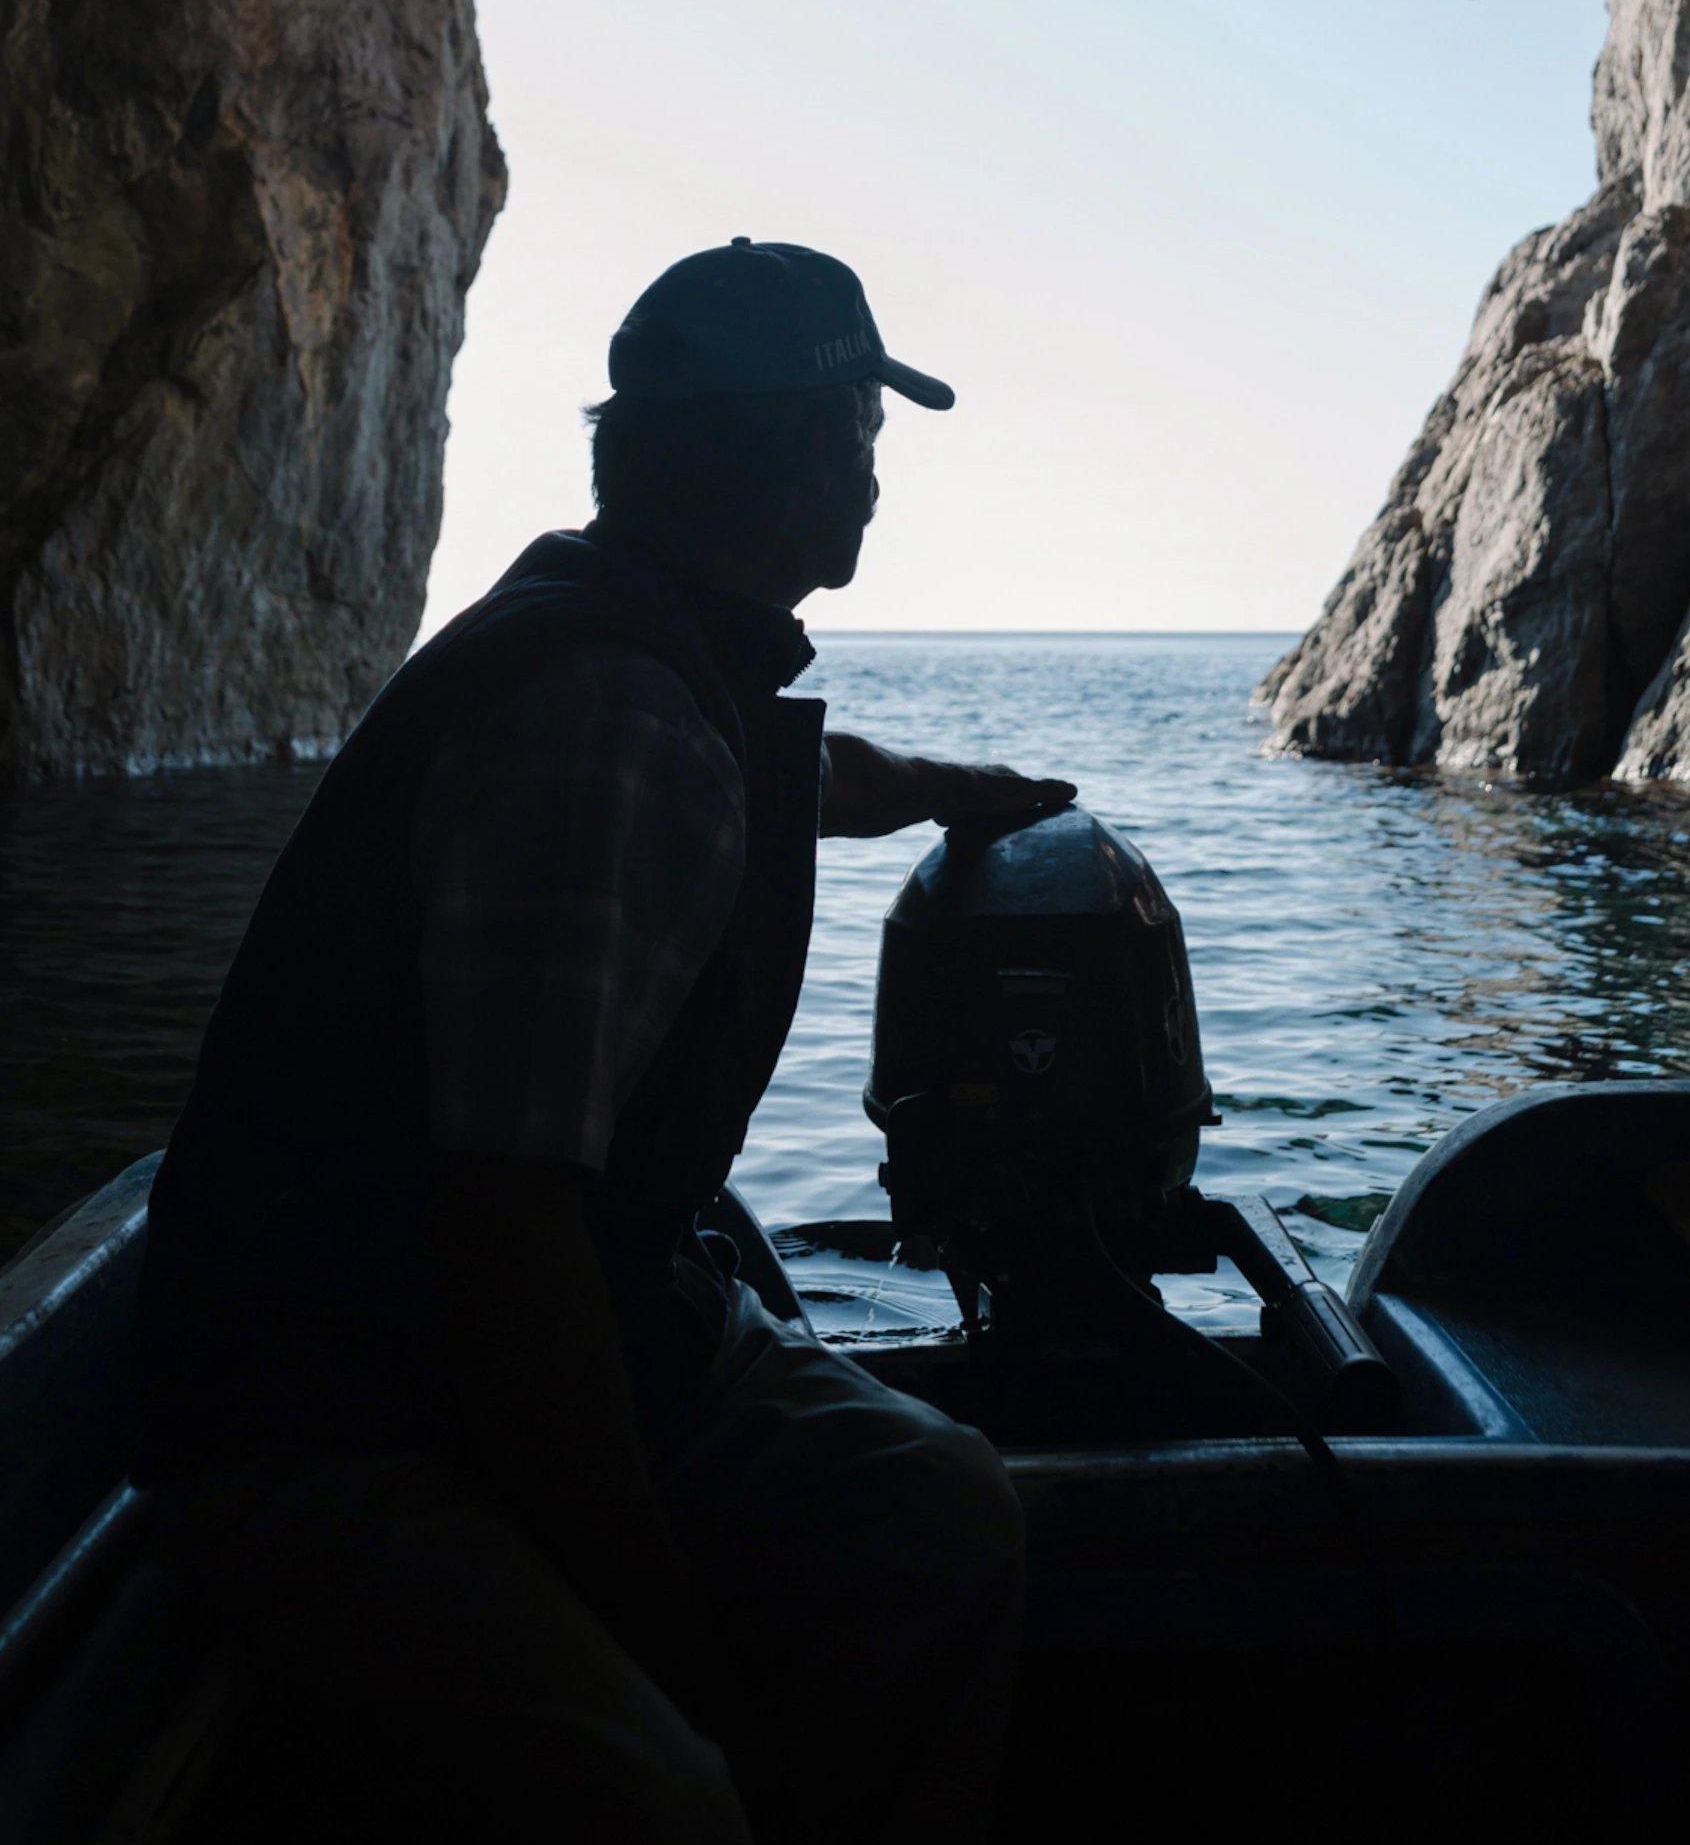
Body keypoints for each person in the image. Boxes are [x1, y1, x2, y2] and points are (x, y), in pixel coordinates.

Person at [136, 239, 1077, 1842]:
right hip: (335, 1417)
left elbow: (784, 776)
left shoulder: (625, 641)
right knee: (662, 1802)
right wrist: (646, 1597)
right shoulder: (613, 722)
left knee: (937, 1512)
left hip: (459, 1335)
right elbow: (508, 1230)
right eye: (861, 432)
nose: (872, 477)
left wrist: (937, 789)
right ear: (780, 447)